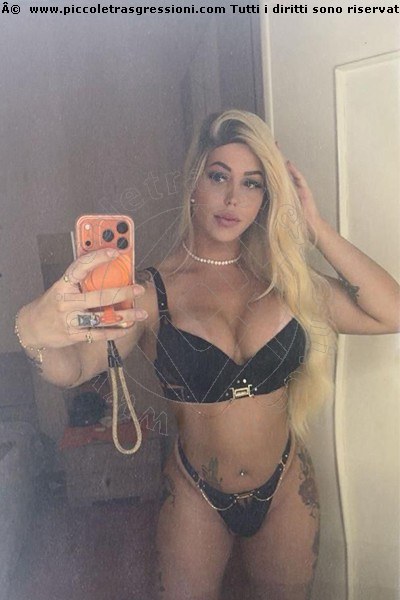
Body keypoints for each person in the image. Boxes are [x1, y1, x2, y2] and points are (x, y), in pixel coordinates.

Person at [14, 110, 400, 600]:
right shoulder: (149, 292)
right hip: (194, 493)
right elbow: (76, 368)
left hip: (285, 487)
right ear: (194, 182)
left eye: (252, 184)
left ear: (267, 197)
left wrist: (316, 227)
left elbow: (390, 312)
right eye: (219, 177)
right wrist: (33, 330)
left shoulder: (286, 282)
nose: (234, 198)